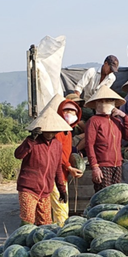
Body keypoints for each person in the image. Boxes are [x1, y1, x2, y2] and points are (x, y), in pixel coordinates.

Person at [15, 96, 69, 226]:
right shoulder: (31, 142)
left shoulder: (57, 145)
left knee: (45, 224)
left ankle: (39, 245)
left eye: (53, 131)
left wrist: (62, 190)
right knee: (27, 221)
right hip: (28, 188)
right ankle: (23, 243)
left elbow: (57, 169)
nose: (50, 134)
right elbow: (18, 155)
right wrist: (30, 140)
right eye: (47, 131)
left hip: (46, 191)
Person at [84, 86, 128, 191]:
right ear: (96, 104)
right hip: (102, 165)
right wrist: (95, 167)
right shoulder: (93, 121)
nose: (105, 103)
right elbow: (89, 144)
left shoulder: (117, 121)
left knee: (115, 196)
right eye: (101, 101)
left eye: (109, 100)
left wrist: (125, 117)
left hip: (117, 164)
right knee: (104, 196)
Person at [50, 96, 85, 225]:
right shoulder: (57, 131)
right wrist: (69, 167)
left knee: (60, 207)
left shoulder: (68, 132)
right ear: (60, 112)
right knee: (61, 208)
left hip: (62, 175)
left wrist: (75, 153)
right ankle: (61, 234)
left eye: (73, 112)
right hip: (55, 175)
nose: (70, 115)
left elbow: (67, 150)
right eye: (67, 111)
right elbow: (57, 155)